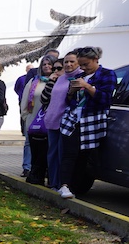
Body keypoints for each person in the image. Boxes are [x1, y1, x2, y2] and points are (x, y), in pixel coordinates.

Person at [56, 46, 115, 199]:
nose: (82, 68)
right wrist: (71, 91)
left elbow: (105, 99)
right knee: (69, 153)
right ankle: (64, 186)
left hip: (92, 120)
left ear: (96, 60)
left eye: (85, 64)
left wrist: (87, 86)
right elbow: (69, 101)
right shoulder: (79, 76)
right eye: (80, 65)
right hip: (73, 119)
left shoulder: (107, 75)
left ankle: (76, 187)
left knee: (85, 155)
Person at [42, 55, 75, 191]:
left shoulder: (76, 77)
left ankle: (62, 183)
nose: (55, 70)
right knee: (52, 154)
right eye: (54, 68)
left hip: (65, 121)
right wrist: (51, 82)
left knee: (62, 154)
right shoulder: (58, 79)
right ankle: (53, 182)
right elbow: (45, 99)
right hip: (52, 120)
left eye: (58, 68)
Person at [20, 56, 55, 186]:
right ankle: (29, 170)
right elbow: (24, 101)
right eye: (44, 64)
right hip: (33, 119)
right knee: (31, 146)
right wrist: (25, 117)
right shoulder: (34, 82)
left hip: (50, 120)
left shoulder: (57, 81)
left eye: (49, 64)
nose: (47, 66)